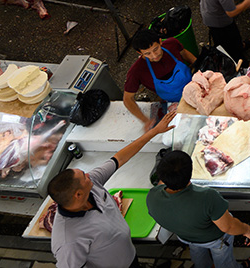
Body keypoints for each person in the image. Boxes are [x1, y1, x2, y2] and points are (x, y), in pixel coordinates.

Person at [48, 113, 176, 268]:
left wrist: (154, 132)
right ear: (78, 194)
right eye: (84, 176)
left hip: (129, 254)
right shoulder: (68, 240)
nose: (89, 174)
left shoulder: (92, 183)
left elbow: (119, 158)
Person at [147, 150, 250, 268]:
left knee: (197, 253)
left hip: (186, 237)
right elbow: (228, 227)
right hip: (214, 239)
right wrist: (247, 229)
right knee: (223, 260)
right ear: (191, 172)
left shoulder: (152, 196)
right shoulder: (207, 197)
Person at [122, 29, 195, 127]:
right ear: (139, 52)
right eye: (147, 53)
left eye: (156, 49)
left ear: (160, 41)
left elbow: (185, 53)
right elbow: (128, 99)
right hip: (176, 103)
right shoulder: (136, 71)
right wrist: (145, 120)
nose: (154, 55)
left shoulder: (172, 44)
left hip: (196, 88)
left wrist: (199, 66)